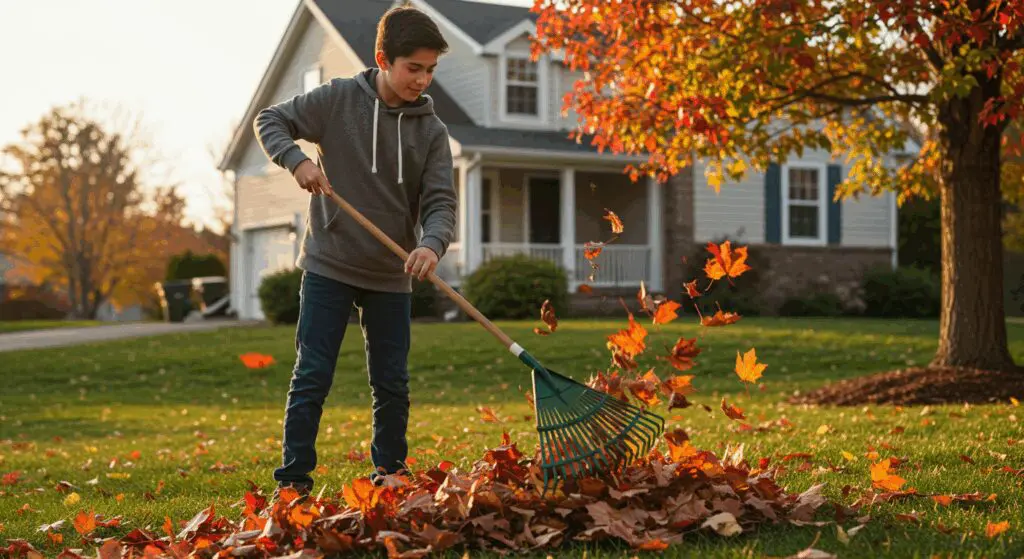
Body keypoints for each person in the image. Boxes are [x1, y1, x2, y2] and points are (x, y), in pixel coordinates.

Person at [252, 5, 457, 501]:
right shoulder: (339, 99)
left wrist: (431, 244)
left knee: (391, 381)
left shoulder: (432, 132)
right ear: (383, 58)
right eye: (414, 68)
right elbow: (270, 119)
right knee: (313, 374)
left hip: (391, 271)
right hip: (330, 263)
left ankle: (390, 471)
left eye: (431, 70)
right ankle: (294, 481)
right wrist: (297, 160)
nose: (423, 80)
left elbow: (440, 203)